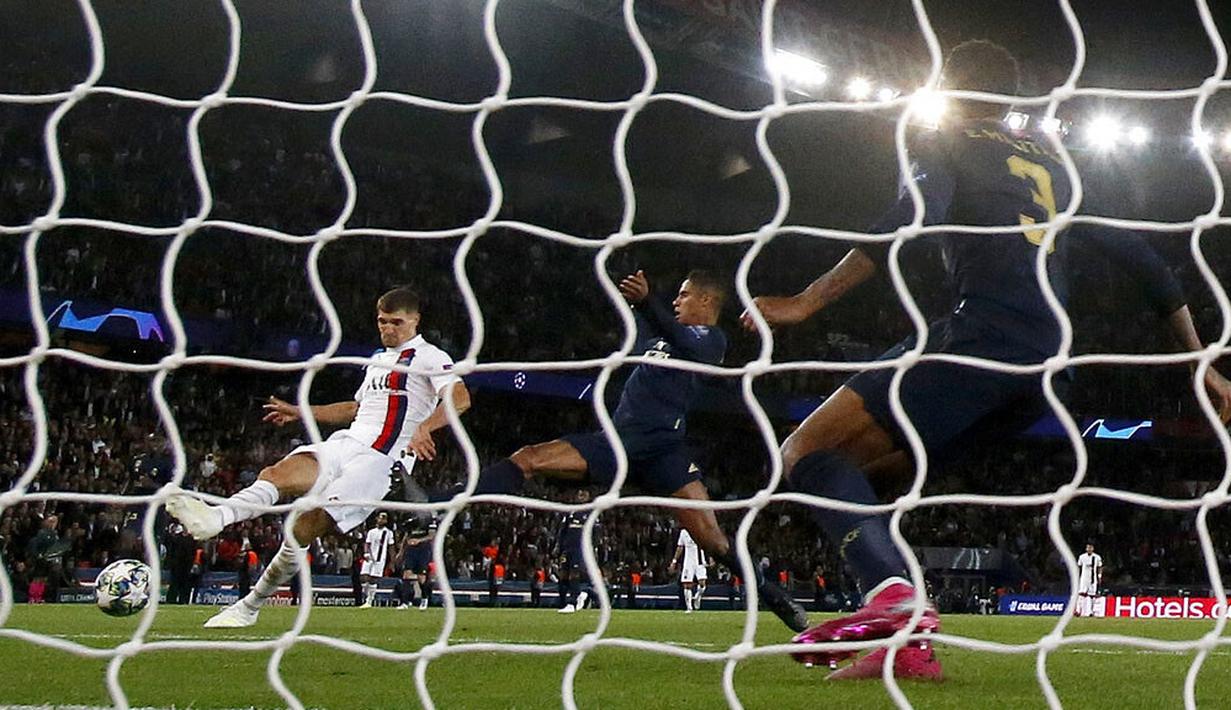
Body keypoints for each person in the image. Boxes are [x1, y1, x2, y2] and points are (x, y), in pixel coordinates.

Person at [742, 40, 1231, 680]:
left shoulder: (942, 140)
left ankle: (894, 600)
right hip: (1048, 373)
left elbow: (913, 215)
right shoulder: (1056, 165)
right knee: (869, 486)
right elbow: (1145, 261)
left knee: (802, 454)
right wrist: (1202, 364)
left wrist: (808, 300)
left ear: (947, 86)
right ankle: (907, 649)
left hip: (982, 338)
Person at [461, 269, 807, 631]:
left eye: (684, 295)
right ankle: (450, 501)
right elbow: (649, 334)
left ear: (706, 300)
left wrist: (646, 303)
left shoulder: (712, 341)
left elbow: (682, 340)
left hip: (664, 451)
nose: (676, 301)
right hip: (620, 442)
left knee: (714, 540)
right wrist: (634, 305)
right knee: (528, 458)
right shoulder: (662, 338)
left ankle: (776, 598)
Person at [166, 286, 470, 627]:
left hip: (381, 461)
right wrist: (301, 411)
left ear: (415, 321)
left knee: (302, 527)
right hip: (347, 442)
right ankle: (215, 517)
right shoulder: (378, 360)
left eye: (396, 323)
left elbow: (460, 397)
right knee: (277, 474)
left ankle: (249, 606)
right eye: (382, 321)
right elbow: (354, 409)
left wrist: (425, 427)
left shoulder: (430, 357)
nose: (387, 329)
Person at [555, 489, 596, 614]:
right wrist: (559, 546)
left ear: (588, 497)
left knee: (574, 573)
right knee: (563, 576)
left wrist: (592, 547)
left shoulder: (591, 513)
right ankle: (574, 598)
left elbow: (596, 533)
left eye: (584, 494)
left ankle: (572, 602)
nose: (581, 496)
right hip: (567, 548)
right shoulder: (571, 511)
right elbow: (563, 531)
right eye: (579, 493)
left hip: (580, 548)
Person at [397, 514, 437, 610]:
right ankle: (404, 602)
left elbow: (431, 536)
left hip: (423, 550)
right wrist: (401, 552)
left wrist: (419, 540)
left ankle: (424, 599)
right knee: (406, 574)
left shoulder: (429, 520)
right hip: (411, 550)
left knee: (421, 577)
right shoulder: (410, 520)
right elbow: (406, 536)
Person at [668, 527, 708, 614]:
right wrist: (674, 561)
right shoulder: (684, 532)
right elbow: (680, 547)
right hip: (688, 562)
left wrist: (710, 557)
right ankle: (689, 608)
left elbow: (707, 545)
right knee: (687, 585)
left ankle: (698, 596)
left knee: (702, 583)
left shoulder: (700, 529)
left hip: (700, 560)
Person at [359, 512, 395, 608]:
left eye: (384, 518)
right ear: (376, 518)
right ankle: (367, 595)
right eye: (380, 517)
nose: (382, 520)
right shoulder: (371, 532)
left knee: (373, 579)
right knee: (363, 577)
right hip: (369, 557)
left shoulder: (388, 533)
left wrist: (392, 561)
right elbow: (367, 543)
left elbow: (391, 547)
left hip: (380, 559)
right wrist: (366, 553)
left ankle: (369, 601)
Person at [1076, 542, 1103, 617]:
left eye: (1090, 548)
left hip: (1093, 579)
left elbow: (1100, 567)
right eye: (1088, 548)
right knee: (1081, 594)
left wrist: (1099, 576)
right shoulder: (1082, 557)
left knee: (1092, 595)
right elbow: (1079, 567)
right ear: (1086, 548)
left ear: (1093, 549)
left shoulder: (1097, 557)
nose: (1089, 549)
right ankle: (1078, 610)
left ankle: (1091, 611)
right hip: (1084, 579)